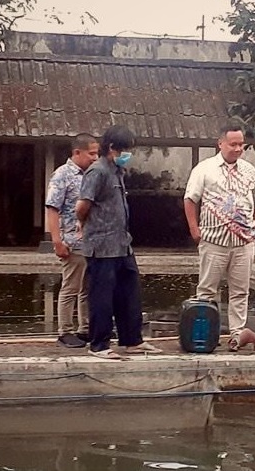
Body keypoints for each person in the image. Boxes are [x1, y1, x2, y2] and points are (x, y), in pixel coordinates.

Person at [76, 125, 162, 359]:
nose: (128, 154)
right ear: (112, 148)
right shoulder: (98, 171)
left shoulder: (117, 172)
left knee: (129, 292)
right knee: (102, 296)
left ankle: (132, 339)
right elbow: (82, 206)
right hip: (102, 246)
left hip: (122, 244)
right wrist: (85, 225)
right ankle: (99, 344)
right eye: (125, 149)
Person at [184, 124, 255, 351]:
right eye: (233, 144)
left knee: (240, 291)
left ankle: (237, 334)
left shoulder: (250, 169)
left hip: (243, 242)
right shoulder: (205, 169)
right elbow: (190, 199)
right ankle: (204, 333)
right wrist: (194, 228)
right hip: (214, 241)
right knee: (207, 290)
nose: (238, 148)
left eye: (241, 144)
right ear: (220, 143)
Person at [45, 133, 99, 348]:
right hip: (71, 241)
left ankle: (84, 328)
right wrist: (57, 241)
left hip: (91, 242)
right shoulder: (62, 175)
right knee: (70, 287)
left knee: (87, 288)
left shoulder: (93, 174)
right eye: (91, 153)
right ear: (77, 152)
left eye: (97, 153)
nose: (95, 158)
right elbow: (52, 208)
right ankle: (64, 330)